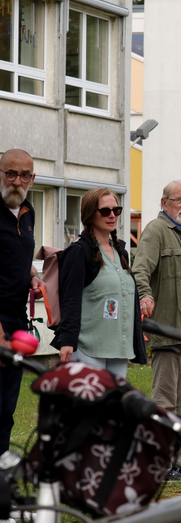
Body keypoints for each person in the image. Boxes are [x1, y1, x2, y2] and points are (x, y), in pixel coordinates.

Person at [132, 179, 181, 481]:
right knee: (165, 401)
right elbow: (141, 268)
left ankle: (178, 462)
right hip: (170, 330)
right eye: (179, 199)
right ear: (164, 202)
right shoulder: (157, 230)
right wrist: (144, 294)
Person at [55, 188, 147, 378]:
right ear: (90, 214)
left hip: (118, 347)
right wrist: (67, 341)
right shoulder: (79, 252)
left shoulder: (121, 250)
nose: (112, 215)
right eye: (105, 211)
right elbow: (70, 300)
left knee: (113, 405)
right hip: (88, 346)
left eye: (116, 210)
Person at [0, 149, 45, 454]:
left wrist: (32, 276)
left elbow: (17, 256)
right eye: (10, 173)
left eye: (24, 175)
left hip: (16, 321)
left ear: (32, 178)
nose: (17, 181)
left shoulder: (27, 211)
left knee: (6, 408)